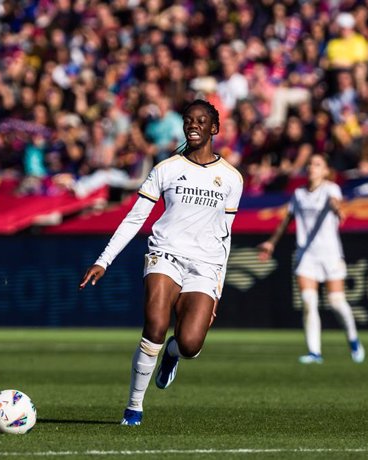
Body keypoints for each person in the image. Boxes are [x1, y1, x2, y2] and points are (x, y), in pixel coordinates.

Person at [79, 99, 243, 427]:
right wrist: (104, 260)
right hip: (165, 253)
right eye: (188, 121)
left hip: (205, 265)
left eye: (201, 121)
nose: (193, 125)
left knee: (190, 344)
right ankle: (133, 408)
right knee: (155, 324)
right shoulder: (166, 168)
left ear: (214, 128)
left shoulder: (231, 178)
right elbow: (135, 218)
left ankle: (172, 355)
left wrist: (218, 290)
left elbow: (225, 238)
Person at [257, 153, 365, 365]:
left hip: (330, 254)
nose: (312, 168)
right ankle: (314, 352)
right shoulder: (298, 194)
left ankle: (353, 339)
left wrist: (338, 210)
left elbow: (334, 202)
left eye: (317, 164)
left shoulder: (330, 188)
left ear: (325, 170)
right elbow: (286, 220)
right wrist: (271, 243)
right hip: (306, 256)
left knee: (337, 303)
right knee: (308, 303)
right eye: (310, 164)